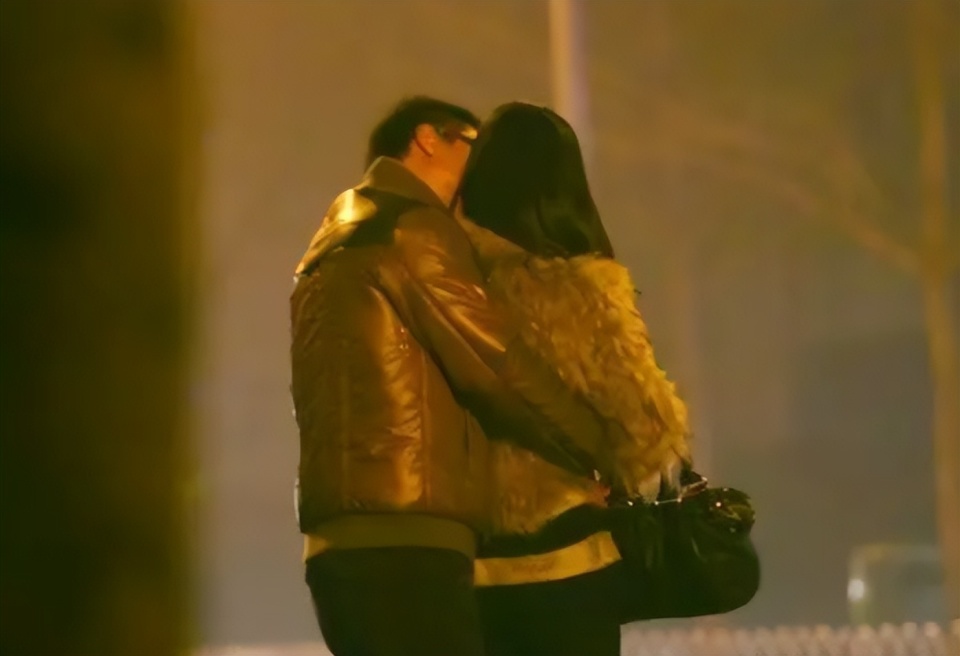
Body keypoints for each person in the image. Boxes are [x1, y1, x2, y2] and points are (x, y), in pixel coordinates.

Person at [290, 96, 624, 656]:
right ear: (428, 139)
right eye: (473, 142)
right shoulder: (411, 228)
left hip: (335, 544)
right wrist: (597, 448)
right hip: (409, 543)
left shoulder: (327, 247)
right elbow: (496, 366)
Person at [456, 102, 692, 656]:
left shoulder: (445, 282)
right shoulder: (581, 288)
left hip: (465, 570)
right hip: (564, 564)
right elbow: (646, 428)